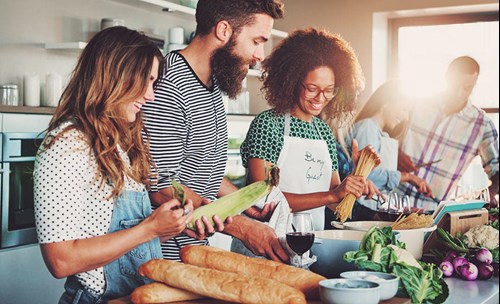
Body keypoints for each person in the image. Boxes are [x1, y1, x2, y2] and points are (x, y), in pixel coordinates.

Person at [33, 27, 211, 303]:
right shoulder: (66, 145)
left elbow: (122, 244)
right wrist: (149, 228)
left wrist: (170, 225)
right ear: (116, 76)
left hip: (136, 295)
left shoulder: (119, 143)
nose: (150, 95)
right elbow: (61, 260)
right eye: (145, 81)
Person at [142, 0, 289, 262]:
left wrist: (243, 204)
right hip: (159, 260)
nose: (261, 55)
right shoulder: (168, 86)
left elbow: (200, 168)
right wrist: (243, 228)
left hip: (191, 255)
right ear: (223, 31)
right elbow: (160, 186)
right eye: (257, 41)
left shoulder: (210, 87)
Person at [239, 28, 379, 238]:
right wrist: (332, 194)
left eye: (329, 89)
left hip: (310, 243)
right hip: (263, 244)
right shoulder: (268, 125)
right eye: (312, 88)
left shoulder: (323, 132)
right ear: (292, 82)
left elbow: (334, 204)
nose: (320, 98)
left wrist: (355, 179)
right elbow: (261, 199)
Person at [396, 56, 499, 210]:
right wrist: (395, 154)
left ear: (474, 85)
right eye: (455, 85)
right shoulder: (416, 104)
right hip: (390, 202)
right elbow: (384, 137)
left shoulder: (482, 125)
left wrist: (489, 193)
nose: (459, 93)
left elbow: (497, 172)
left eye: (467, 88)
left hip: (431, 213)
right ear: (446, 78)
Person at [345, 79, 434, 219]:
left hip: (373, 211)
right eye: (404, 109)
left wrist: (402, 209)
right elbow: (365, 176)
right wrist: (408, 177)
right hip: (360, 212)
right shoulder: (367, 127)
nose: (405, 117)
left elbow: (379, 190)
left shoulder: (381, 133)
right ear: (386, 103)